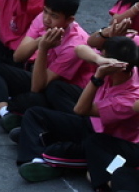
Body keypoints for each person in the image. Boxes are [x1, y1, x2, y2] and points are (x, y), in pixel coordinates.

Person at [15, 36, 139, 183]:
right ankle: (34, 159)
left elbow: (80, 109)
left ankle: (49, 155)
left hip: (106, 144)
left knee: (56, 151)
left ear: (116, 68)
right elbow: (80, 49)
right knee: (35, 114)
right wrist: (98, 60)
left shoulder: (127, 99)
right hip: (91, 125)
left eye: (102, 55)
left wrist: (98, 76)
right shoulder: (121, 67)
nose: (100, 57)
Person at [0, 0, 94, 131]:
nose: (47, 19)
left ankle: (0, 99)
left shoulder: (74, 45)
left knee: (30, 99)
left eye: (54, 16)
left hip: (63, 93)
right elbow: (18, 56)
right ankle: (5, 111)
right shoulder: (42, 19)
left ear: (69, 20)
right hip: (38, 76)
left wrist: (43, 48)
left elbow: (38, 87)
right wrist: (39, 41)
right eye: (46, 12)